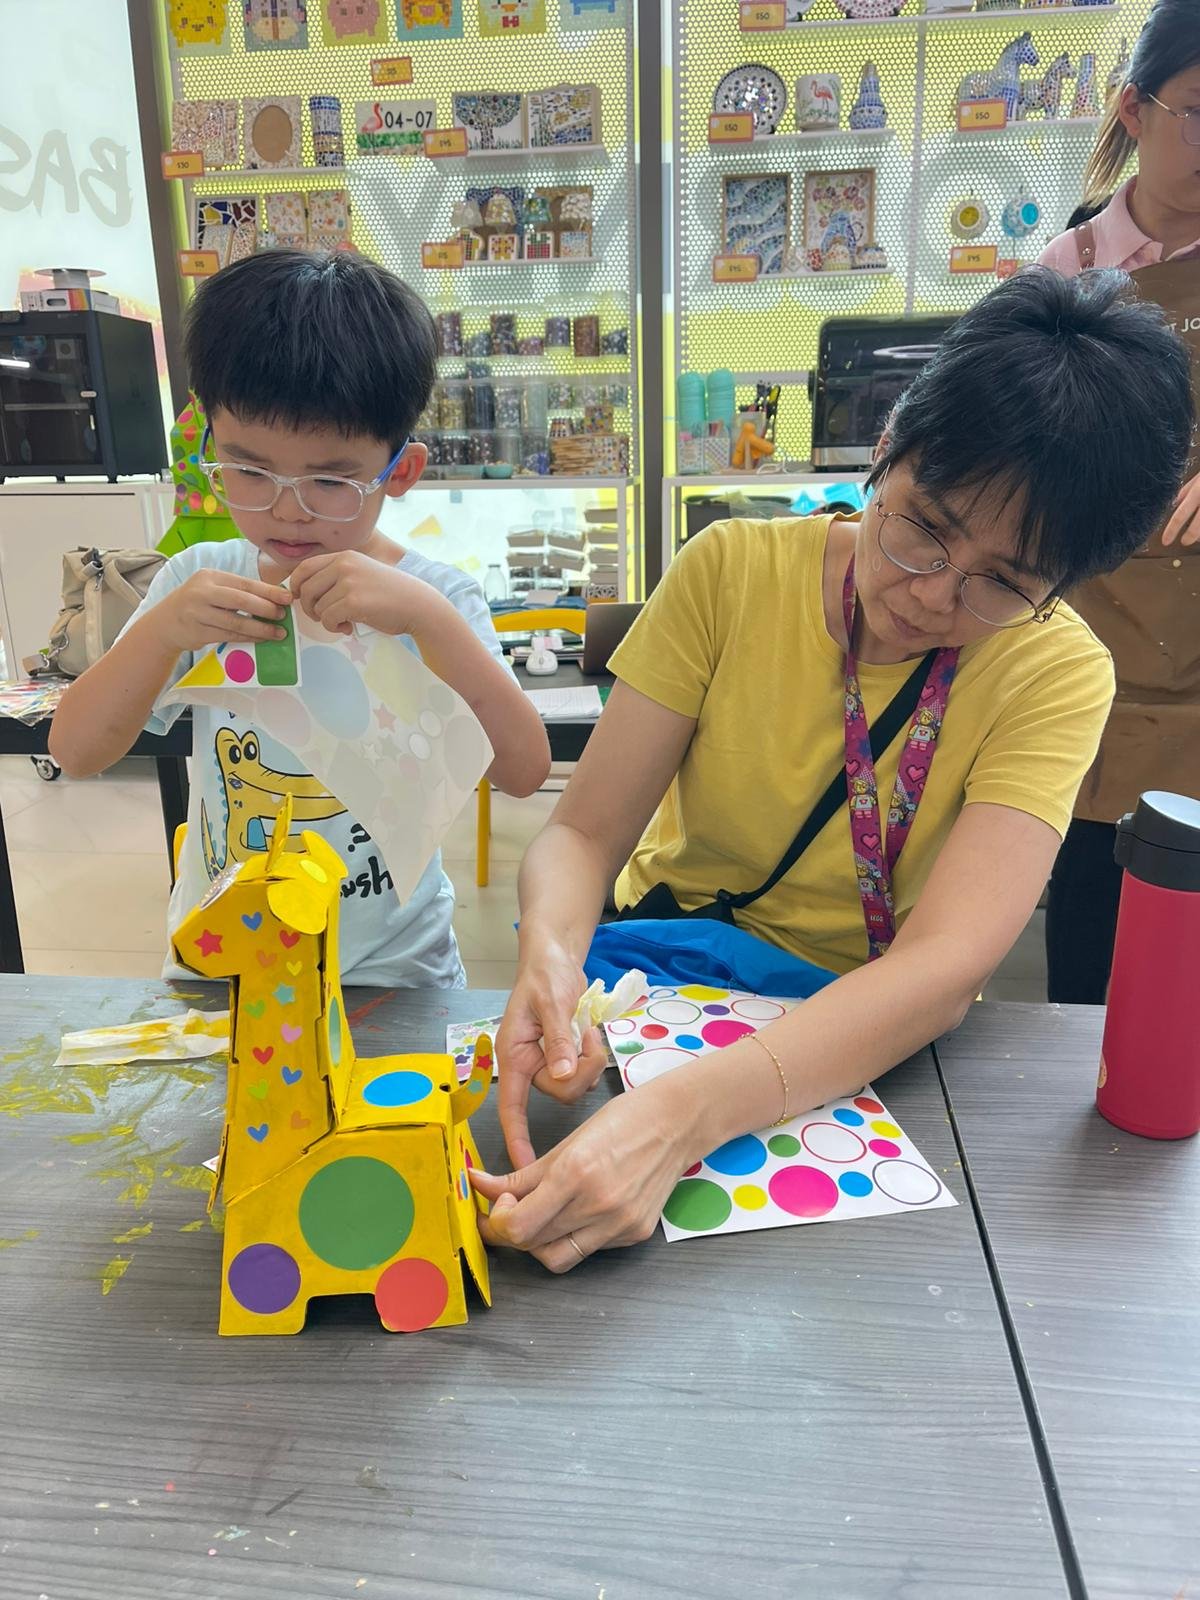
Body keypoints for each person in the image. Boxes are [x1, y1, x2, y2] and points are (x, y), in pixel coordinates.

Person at [470, 268, 1192, 1273]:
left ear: (1062, 584)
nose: (933, 595)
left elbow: (945, 968)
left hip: (865, 1030)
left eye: (1002, 582)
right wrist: (551, 953)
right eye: (924, 526)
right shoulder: (730, 570)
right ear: (886, 449)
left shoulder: (1058, 669)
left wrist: (680, 1119)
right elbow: (584, 835)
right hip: (663, 975)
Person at [50, 250, 549, 987]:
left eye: (329, 480)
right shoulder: (197, 583)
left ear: (400, 473)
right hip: (227, 970)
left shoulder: (432, 598)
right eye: (250, 471)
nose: (286, 510)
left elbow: (524, 771)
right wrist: (160, 633)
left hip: (394, 977)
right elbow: (75, 750)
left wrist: (431, 623)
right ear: (210, 447)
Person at [1038, 0, 1200, 1004]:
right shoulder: (1069, 272)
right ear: (1135, 110)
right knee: (1099, 960)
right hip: (1102, 639)